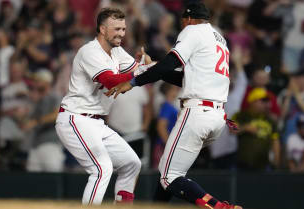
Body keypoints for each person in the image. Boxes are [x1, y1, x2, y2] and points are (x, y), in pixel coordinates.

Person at [106, 3, 242, 209]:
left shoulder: (193, 31)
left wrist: (133, 81)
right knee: (169, 175)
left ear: (188, 19)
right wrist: (152, 66)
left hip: (197, 113)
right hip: (216, 117)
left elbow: (169, 64)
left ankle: (218, 207)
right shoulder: (219, 40)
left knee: (170, 176)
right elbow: (183, 79)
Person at [55, 8, 144, 205]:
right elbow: (111, 80)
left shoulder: (117, 51)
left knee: (131, 163)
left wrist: (168, 66)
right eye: (117, 28)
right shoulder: (89, 51)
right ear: (103, 29)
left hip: (96, 123)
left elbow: (141, 70)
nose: (121, 33)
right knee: (101, 168)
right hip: (75, 118)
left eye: (123, 28)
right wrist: (141, 70)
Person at [234, 88, 281, 171]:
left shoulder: (270, 119)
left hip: (264, 165)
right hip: (243, 165)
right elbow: (231, 130)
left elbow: (275, 140)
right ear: (253, 101)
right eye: (263, 101)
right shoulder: (241, 115)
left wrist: (276, 160)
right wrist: (245, 128)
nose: (267, 104)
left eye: (267, 101)